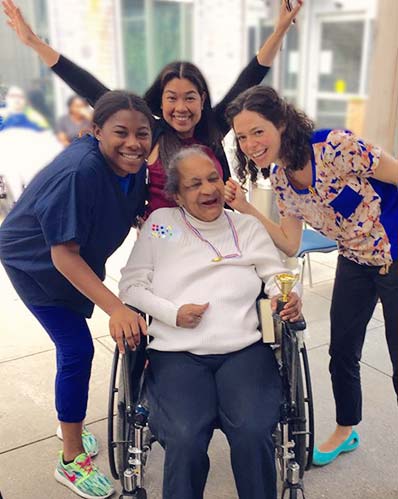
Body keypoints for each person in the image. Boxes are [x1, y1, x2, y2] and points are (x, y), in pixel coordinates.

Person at [223, 84, 398, 466]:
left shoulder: (337, 146)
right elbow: (289, 242)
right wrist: (245, 208)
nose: (251, 144)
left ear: (281, 123)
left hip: (394, 256)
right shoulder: (283, 180)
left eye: (258, 131)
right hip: (354, 260)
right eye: (242, 137)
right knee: (342, 352)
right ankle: (346, 427)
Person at [118, 145, 302, 499]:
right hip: (177, 353)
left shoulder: (245, 227)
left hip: (244, 350)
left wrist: (285, 294)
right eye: (195, 184)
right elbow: (132, 286)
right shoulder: (164, 226)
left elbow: (275, 274)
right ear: (176, 194)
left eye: (214, 178)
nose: (208, 190)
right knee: (184, 437)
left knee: (252, 430)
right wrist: (172, 313)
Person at [2, 0, 303, 215]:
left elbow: (251, 75)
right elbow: (91, 88)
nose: (181, 108)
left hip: (214, 230)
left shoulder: (213, 126)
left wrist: (279, 31)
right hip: (164, 238)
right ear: (160, 101)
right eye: (172, 97)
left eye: (190, 97)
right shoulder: (150, 130)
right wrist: (34, 43)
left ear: (202, 100)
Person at [0, 90, 153, 499]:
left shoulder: (132, 164)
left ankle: (68, 423)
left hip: (71, 258)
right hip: (35, 263)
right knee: (77, 350)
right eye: (121, 132)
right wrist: (115, 307)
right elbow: (64, 256)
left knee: (75, 352)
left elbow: (134, 212)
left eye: (143, 133)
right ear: (95, 130)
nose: (133, 143)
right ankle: (70, 459)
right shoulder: (80, 171)